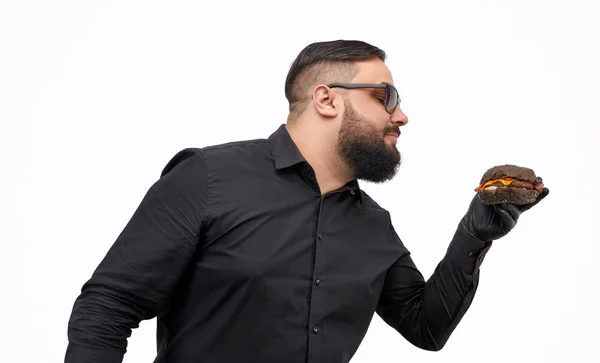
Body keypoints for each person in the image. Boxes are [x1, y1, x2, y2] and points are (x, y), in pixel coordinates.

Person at [64, 39, 549, 363]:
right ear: (326, 99)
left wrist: (475, 233)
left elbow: (426, 326)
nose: (401, 115)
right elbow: (109, 305)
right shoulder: (209, 178)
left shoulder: (373, 225)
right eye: (385, 96)